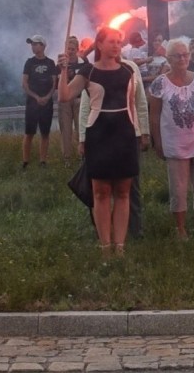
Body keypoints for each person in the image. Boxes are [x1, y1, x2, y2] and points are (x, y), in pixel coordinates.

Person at [58, 27, 149, 256]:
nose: (116, 45)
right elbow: (65, 96)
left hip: (124, 133)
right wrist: (63, 71)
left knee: (123, 192)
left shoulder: (129, 69)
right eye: (111, 41)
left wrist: (141, 131)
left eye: (119, 41)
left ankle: (120, 246)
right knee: (101, 193)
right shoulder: (89, 71)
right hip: (99, 134)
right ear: (99, 44)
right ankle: (105, 246)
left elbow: (134, 102)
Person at [148, 39, 194, 239]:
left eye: (185, 54)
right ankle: (181, 229)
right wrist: (157, 142)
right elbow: (154, 115)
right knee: (178, 188)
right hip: (175, 142)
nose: (183, 58)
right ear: (168, 58)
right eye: (178, 55)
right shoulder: (160, 83)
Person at [22, 35, 58, 169]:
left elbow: (54, 83)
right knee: (29, 132)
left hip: (46, 104)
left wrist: (48, 97)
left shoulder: (50, 63)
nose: (33, 47)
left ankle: (43, 161)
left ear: (42, 46)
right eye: (32, 44)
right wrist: (36, 97)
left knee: (45, 133)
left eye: (35, 44)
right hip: (32, 103)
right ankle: (25, 161)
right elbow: (25, 83)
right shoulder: (29, 62)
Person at [58, 36, 83, 165]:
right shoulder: (61, 63)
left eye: (73, 49)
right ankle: (66, 158)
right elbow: (57, 83)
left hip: (79, 99)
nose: (70, 51)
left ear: (77, 49)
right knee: (66, 130)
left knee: (81, 128)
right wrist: (62, 71)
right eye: (68, 48)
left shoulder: (83, 63)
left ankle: (81, 156)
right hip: (65, 102)